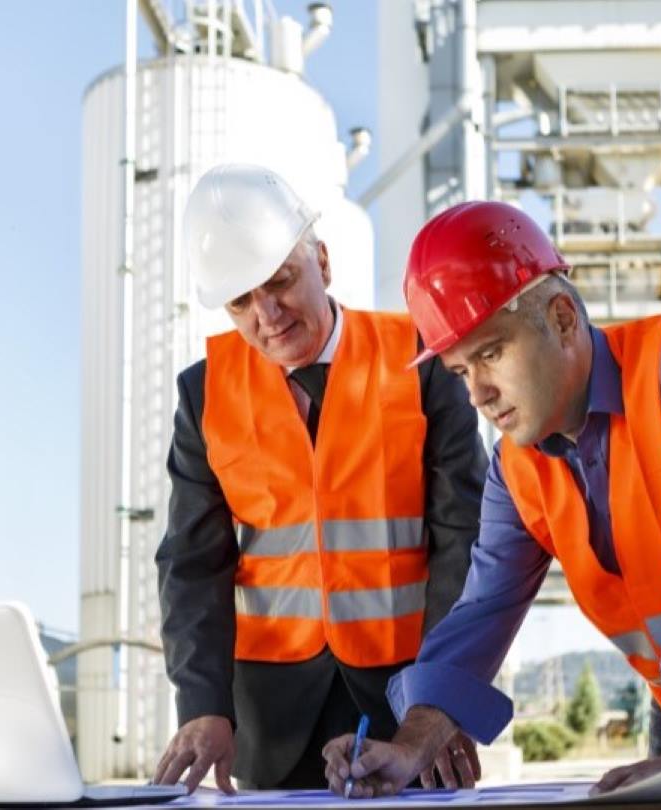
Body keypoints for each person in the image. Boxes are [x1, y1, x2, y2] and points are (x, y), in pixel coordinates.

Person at [323, 201, 661, 797]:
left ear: (562, 319)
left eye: (490, 353)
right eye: (460, 372)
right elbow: (481, 612)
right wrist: (411, 742)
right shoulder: (518, 469)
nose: (478, 393)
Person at [151, 164, 490, 793]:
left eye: (281, 281)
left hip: (407, 705)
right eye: (241, 301)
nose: (268, 314)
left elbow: (466, 544)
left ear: (323, 263)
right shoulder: (204, 396)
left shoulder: (421, 364)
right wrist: (204, 706)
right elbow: (192, 565)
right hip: (266, 723)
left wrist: (444, 705)